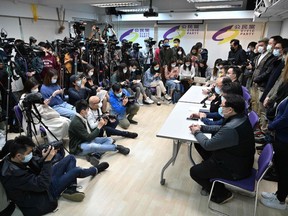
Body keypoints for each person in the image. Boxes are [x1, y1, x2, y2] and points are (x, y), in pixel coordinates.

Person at [0, 135, 108, 215]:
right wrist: (47, 161)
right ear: (18, 155)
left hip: (41, 184)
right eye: (29, 153)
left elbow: (36, 167)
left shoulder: (14, 159)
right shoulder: (13, 175)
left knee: (70, 158)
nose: (31, 155)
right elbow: (42, 184)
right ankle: (94, 170)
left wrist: (43, 157)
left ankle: (71, 188)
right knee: (76, 171)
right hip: (43, 196)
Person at [189, 94, 255, 204]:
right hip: (239, 159)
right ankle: (210, 171)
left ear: (230, 110)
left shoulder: (231, 128)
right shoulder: (241, 117)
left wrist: (196, 132)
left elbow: (207, 144)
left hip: (235, 169)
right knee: (198, 144)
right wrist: (202, 127)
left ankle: (222, 194)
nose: (220, 106)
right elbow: (222, 129)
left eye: (222, 105)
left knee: (194, 171)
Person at [19, 78, 71, 143]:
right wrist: (43, 106)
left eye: (37, 87)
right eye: (35, 88)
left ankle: (59, 138)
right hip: (36, 119)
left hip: (44, 115)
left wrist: (44, 104)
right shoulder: (24, 98)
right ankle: (55, 140)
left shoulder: (36, 94)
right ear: (29, 88)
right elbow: (31, 112)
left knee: (67, 121)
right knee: (63, 122)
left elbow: (40, 105)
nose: (37, 89)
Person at [260, 97, 288, 210]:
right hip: (281, 137)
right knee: (280, 169)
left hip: (285, 140)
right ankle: (278, 194)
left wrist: (271, 126)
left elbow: (285, 119)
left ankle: (281, 200)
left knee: (284, 171)